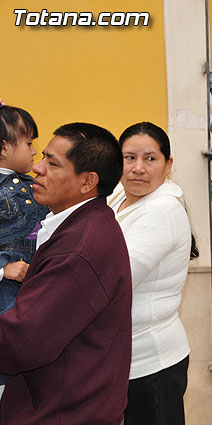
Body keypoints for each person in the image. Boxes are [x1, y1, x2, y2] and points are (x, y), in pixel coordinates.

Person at [0, 122, 132, 425]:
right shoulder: (80, 225)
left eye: (52, 163)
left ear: (87, 182)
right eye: (43, 156)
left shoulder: (79, 249)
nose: (36, 167)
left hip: (63, 412)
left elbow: (23, 340)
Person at [107, 122, 197, 425]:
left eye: (150, 158)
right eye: (129, 158)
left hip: (151, 362)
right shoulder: (117, 196)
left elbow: (115, 279)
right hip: (124, 359)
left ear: (168, 164)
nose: (138, 169)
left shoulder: (162, 211)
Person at [0, 101, 49, 395]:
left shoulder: (34, 184)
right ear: (4, 148)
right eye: (29, 143)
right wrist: (3, 269)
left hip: (32, 287)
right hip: (6, 290)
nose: (34, 151)